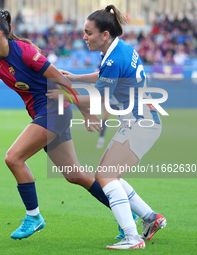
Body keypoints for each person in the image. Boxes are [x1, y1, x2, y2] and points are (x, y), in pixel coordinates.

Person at [0, 10, 122, 241]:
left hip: (53, 110)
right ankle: (126, 213)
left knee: (13, 157)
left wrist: (86, 112)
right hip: (43, 114)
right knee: (74, 174)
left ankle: (34, 217)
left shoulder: (25, 52)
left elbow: (62, 81)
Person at [47, 5, 166, 250]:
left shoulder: (114, 56)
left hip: (140, 123)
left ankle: (133, 238)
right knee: (107, 175)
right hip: (141, 120)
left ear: (104, 35)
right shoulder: (118, 49)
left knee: (106, 176)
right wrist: (76, 78)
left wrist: (65, 97)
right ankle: (151, 218)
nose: (84, 37)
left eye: (88, 32)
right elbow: (105, 75)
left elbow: (98, 98)